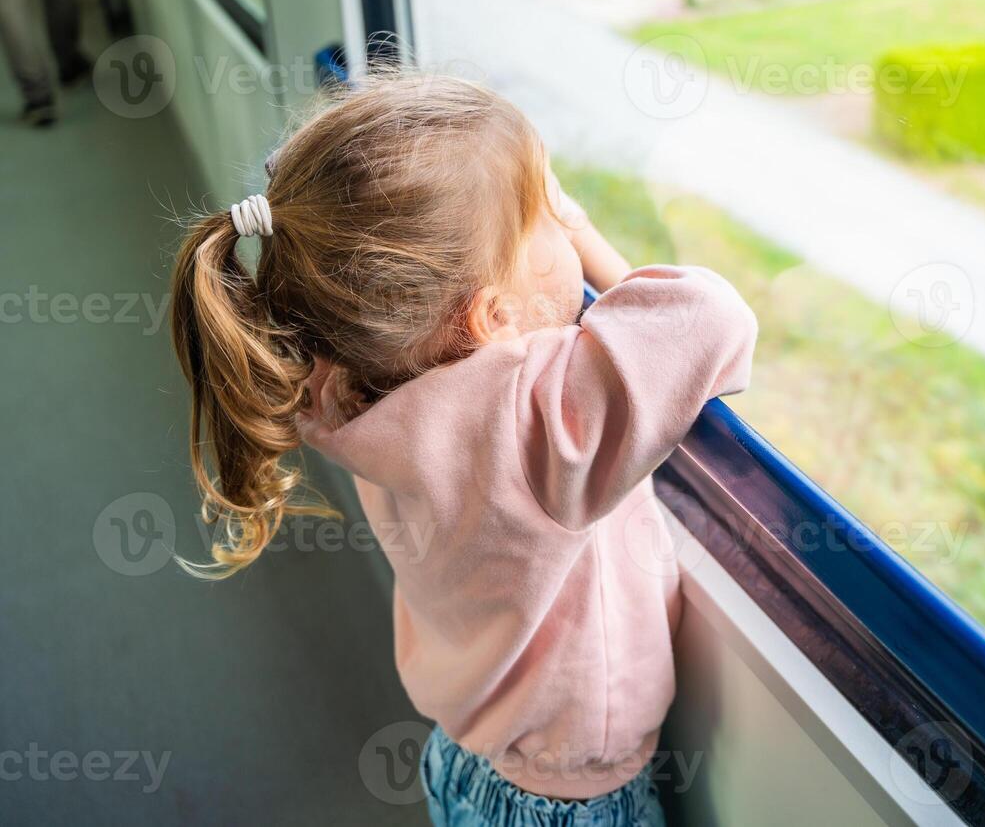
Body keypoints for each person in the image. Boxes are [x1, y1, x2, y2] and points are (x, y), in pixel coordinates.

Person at [167, 75, 758, 827]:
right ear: (491, 318)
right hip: (565, 799)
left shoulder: (342, 382)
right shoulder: (527, 422)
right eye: (549, 219)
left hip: (465, 757)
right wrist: (585, 232)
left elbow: (337, 227)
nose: (564, 224)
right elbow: (710, 317)